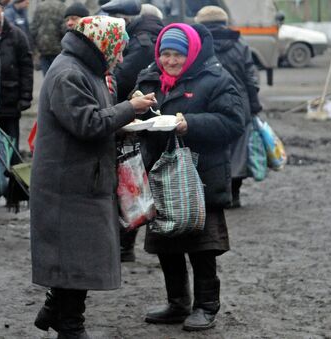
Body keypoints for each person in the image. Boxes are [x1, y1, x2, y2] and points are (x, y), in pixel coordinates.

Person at [30, 16, 157, 338]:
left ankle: (55, 312)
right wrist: (129, 109)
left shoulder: (83, 68)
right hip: (69, 183)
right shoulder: (69, 73)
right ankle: (71, 327)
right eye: (119, 49)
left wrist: (122, 121)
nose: (121, 57)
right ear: (104, 44)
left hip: (80, 178)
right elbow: (87, 123)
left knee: (77, 257)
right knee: (77, 259)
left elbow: (94, 119)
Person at [134, 23, 244, 331]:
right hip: (160, 173)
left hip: (200, 175)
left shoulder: (216, 79)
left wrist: (189, 124)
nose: (170, 61)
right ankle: (177, 303)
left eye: (177, 55)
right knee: (167, 241)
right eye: (165, 54)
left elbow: (234, 122)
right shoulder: (150, 77)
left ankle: (206, 306)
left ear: (192, 53)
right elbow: (137, 113)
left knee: (202, 246)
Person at [108, 3, 164, 262]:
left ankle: (124, 246)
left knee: (131, 184)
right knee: (136, 184)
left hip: (132, 115)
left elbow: (122, 74)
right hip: (135, 114)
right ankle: (124, 245)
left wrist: (119, 108)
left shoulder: (141, 43)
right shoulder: (156, 39)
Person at [195, 5, 262, 208]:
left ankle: (212, 194)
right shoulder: (240, 44)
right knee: (238, 152)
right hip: (239, 105)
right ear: (224, 22)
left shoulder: (198, 45)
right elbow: (251, 79)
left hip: (207, 105)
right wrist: (254, 105)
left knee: (211, 150)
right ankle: (235, 194)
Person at [0, 0, 32, 162]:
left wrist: (25, 97)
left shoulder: (17, 35)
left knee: (11, 148)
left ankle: (14, 185)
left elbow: (26, 67)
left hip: (10, 103)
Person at [30, 0, 66, 75]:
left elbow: (33, 29)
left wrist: (34, 49)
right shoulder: (62, 7)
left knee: (47, 78)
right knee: (58, 77)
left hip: (43, 50)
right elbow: (64, 29)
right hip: (58, 51)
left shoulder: (39, 7)